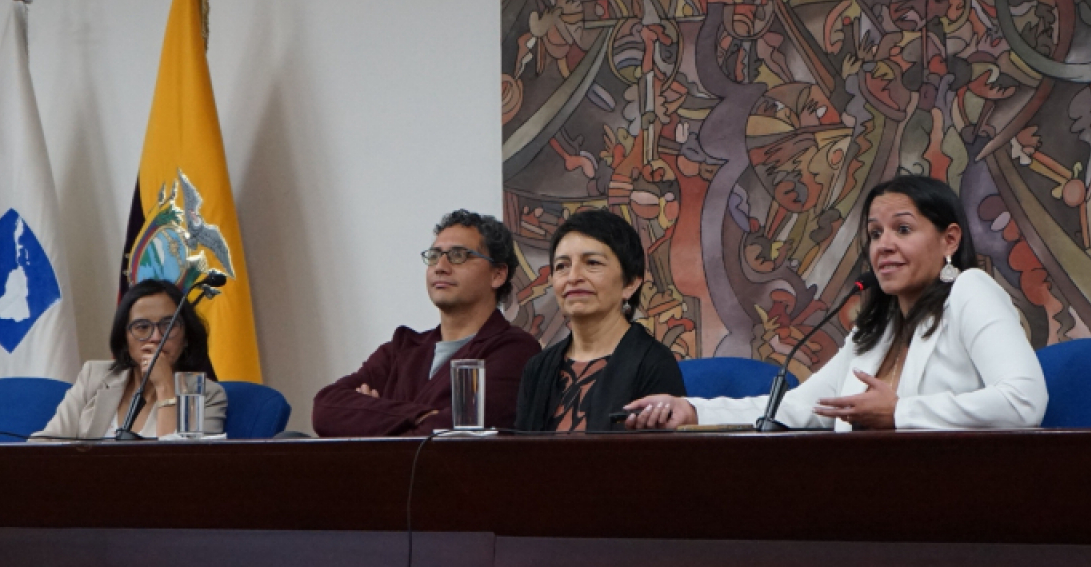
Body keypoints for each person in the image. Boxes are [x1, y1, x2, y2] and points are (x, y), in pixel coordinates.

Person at [625, 175, 1048, 431]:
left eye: (902, 229)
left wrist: (901, 413)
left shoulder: (970, 291)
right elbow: (799, 407)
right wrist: (692, 411)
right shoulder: (877, 331)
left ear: (949, 240)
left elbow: (1024, 401)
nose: (883, 245)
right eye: (876, 233)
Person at [312, 210, 541, 436]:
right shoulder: (402, 349)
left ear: (497, 274)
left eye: (458, 255)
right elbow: (325, 408)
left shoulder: (514, 350)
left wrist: (372, 417)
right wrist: (419, 415)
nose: (440, 266)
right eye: (433, 256)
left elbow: (451, 436)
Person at [516, 208, 685, 431]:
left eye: (593, 263)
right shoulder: (537, 368)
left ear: (630, 283)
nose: (573, 277)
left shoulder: (654, 363)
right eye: (562, 266)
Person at [36, 279, 227, 439]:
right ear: (125, 339)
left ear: (186, 338)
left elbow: (182, 463)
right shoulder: (93, 376)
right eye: (142, 327)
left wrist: (165, 387)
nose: (156, 337)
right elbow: (44, 446)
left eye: (168, 325)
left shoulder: (206, 396)